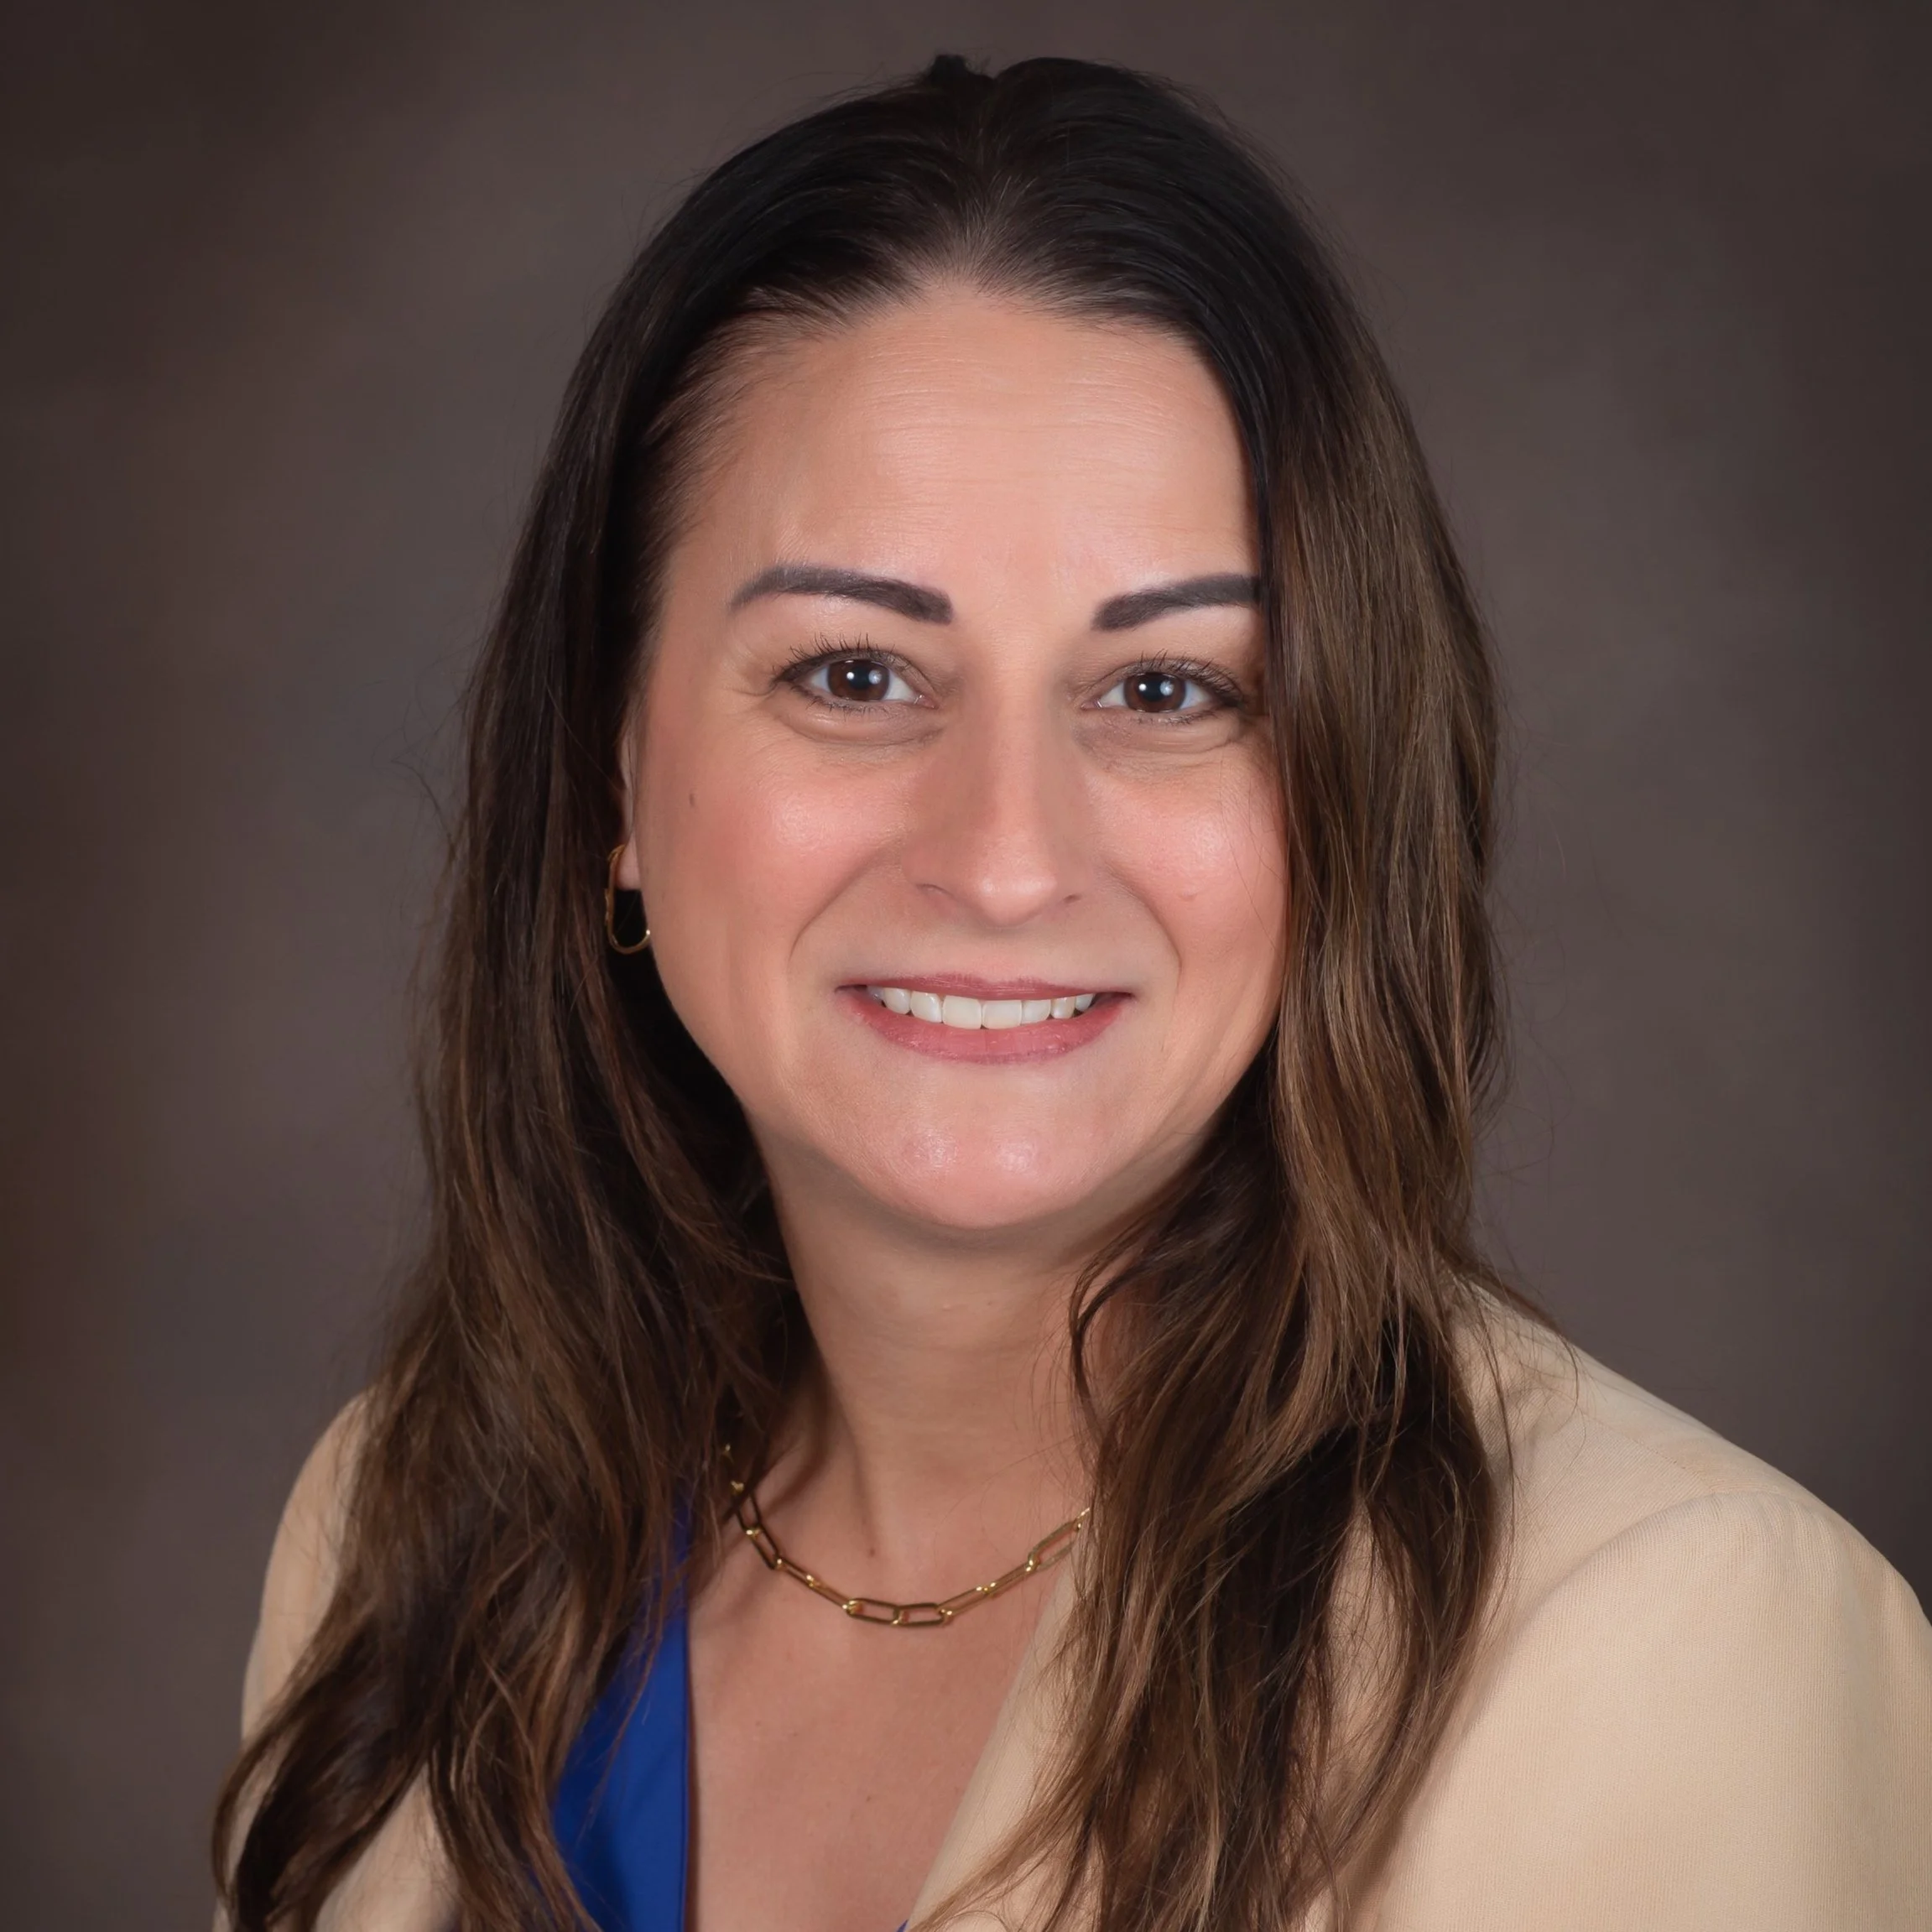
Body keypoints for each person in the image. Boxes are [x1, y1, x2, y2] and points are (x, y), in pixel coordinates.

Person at [212, 54, 1932, 1932]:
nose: (1007, 853)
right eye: (855, 674)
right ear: (608, 772)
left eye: (1166, 689)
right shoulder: (414, 1525)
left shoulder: (1665, 1638)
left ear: (1336, 792)